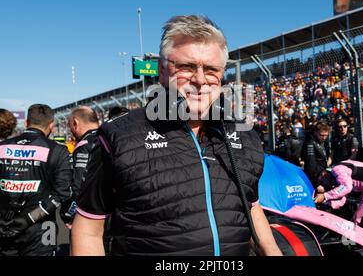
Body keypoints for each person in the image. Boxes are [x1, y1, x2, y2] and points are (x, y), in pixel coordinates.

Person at [71, 15, 282, 256]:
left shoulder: (245, 136)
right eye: (186, 67)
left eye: (211, 69)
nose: (200, 80)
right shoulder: (119, 135)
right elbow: (88, 227)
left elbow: (251, 207)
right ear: (161, 71)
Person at [0, 104, 72, 256]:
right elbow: (62, 193)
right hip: (42, 229)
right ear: (51, 126)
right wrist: (29, 218)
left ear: (26, 122)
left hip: (4, 227)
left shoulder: (2, 146)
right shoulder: (58, 150)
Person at [314, 160, 363, 225]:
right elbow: (342, 198)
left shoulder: (337, 170)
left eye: (321, 181)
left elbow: (346, 187)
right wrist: (326, 203)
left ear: (323, 173)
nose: (322, 184)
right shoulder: (335, 172)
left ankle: (355, 235)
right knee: (358, 214)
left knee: (360, 215)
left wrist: (325, 196)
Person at [60, 106, 99, 227]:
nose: (70, 129)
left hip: (91, 214)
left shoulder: (84, 145)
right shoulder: (111, 136)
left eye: (69, 125)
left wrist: (68, 214)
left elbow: (79, 184)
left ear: (75, 123)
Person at [302, 122, 332, 190]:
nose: (324, 137)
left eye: (326, 135)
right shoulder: (310, 143)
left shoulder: (323, 143)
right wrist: (317, 179)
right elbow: (311, 164)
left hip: (323, 174)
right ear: (315, 133)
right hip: (315, 178)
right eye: (321, 135)